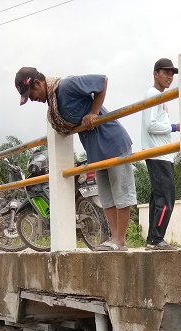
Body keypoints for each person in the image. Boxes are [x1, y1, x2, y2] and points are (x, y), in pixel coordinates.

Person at [15, 66, 137, 251]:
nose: (32, 99)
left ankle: (120, 240)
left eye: (31, 94)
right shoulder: (54, 105)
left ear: (38, 83)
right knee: (106, 197)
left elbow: (102, 80)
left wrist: (94, 112)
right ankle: (114, 238)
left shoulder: (66, 86)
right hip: (96, 150)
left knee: (121, 193)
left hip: (112, 142)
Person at [141, 58, 180, 251]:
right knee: (166, 199)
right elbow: (151, 125)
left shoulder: (161, 97)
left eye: (172, 74)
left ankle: (153, 238)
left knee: (158, 199)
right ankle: (157, 239)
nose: (170, 77)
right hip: (158, 155)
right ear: (155, 73)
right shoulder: (153, 94)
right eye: (166, 72)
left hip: (162, 155)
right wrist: (175, 127)